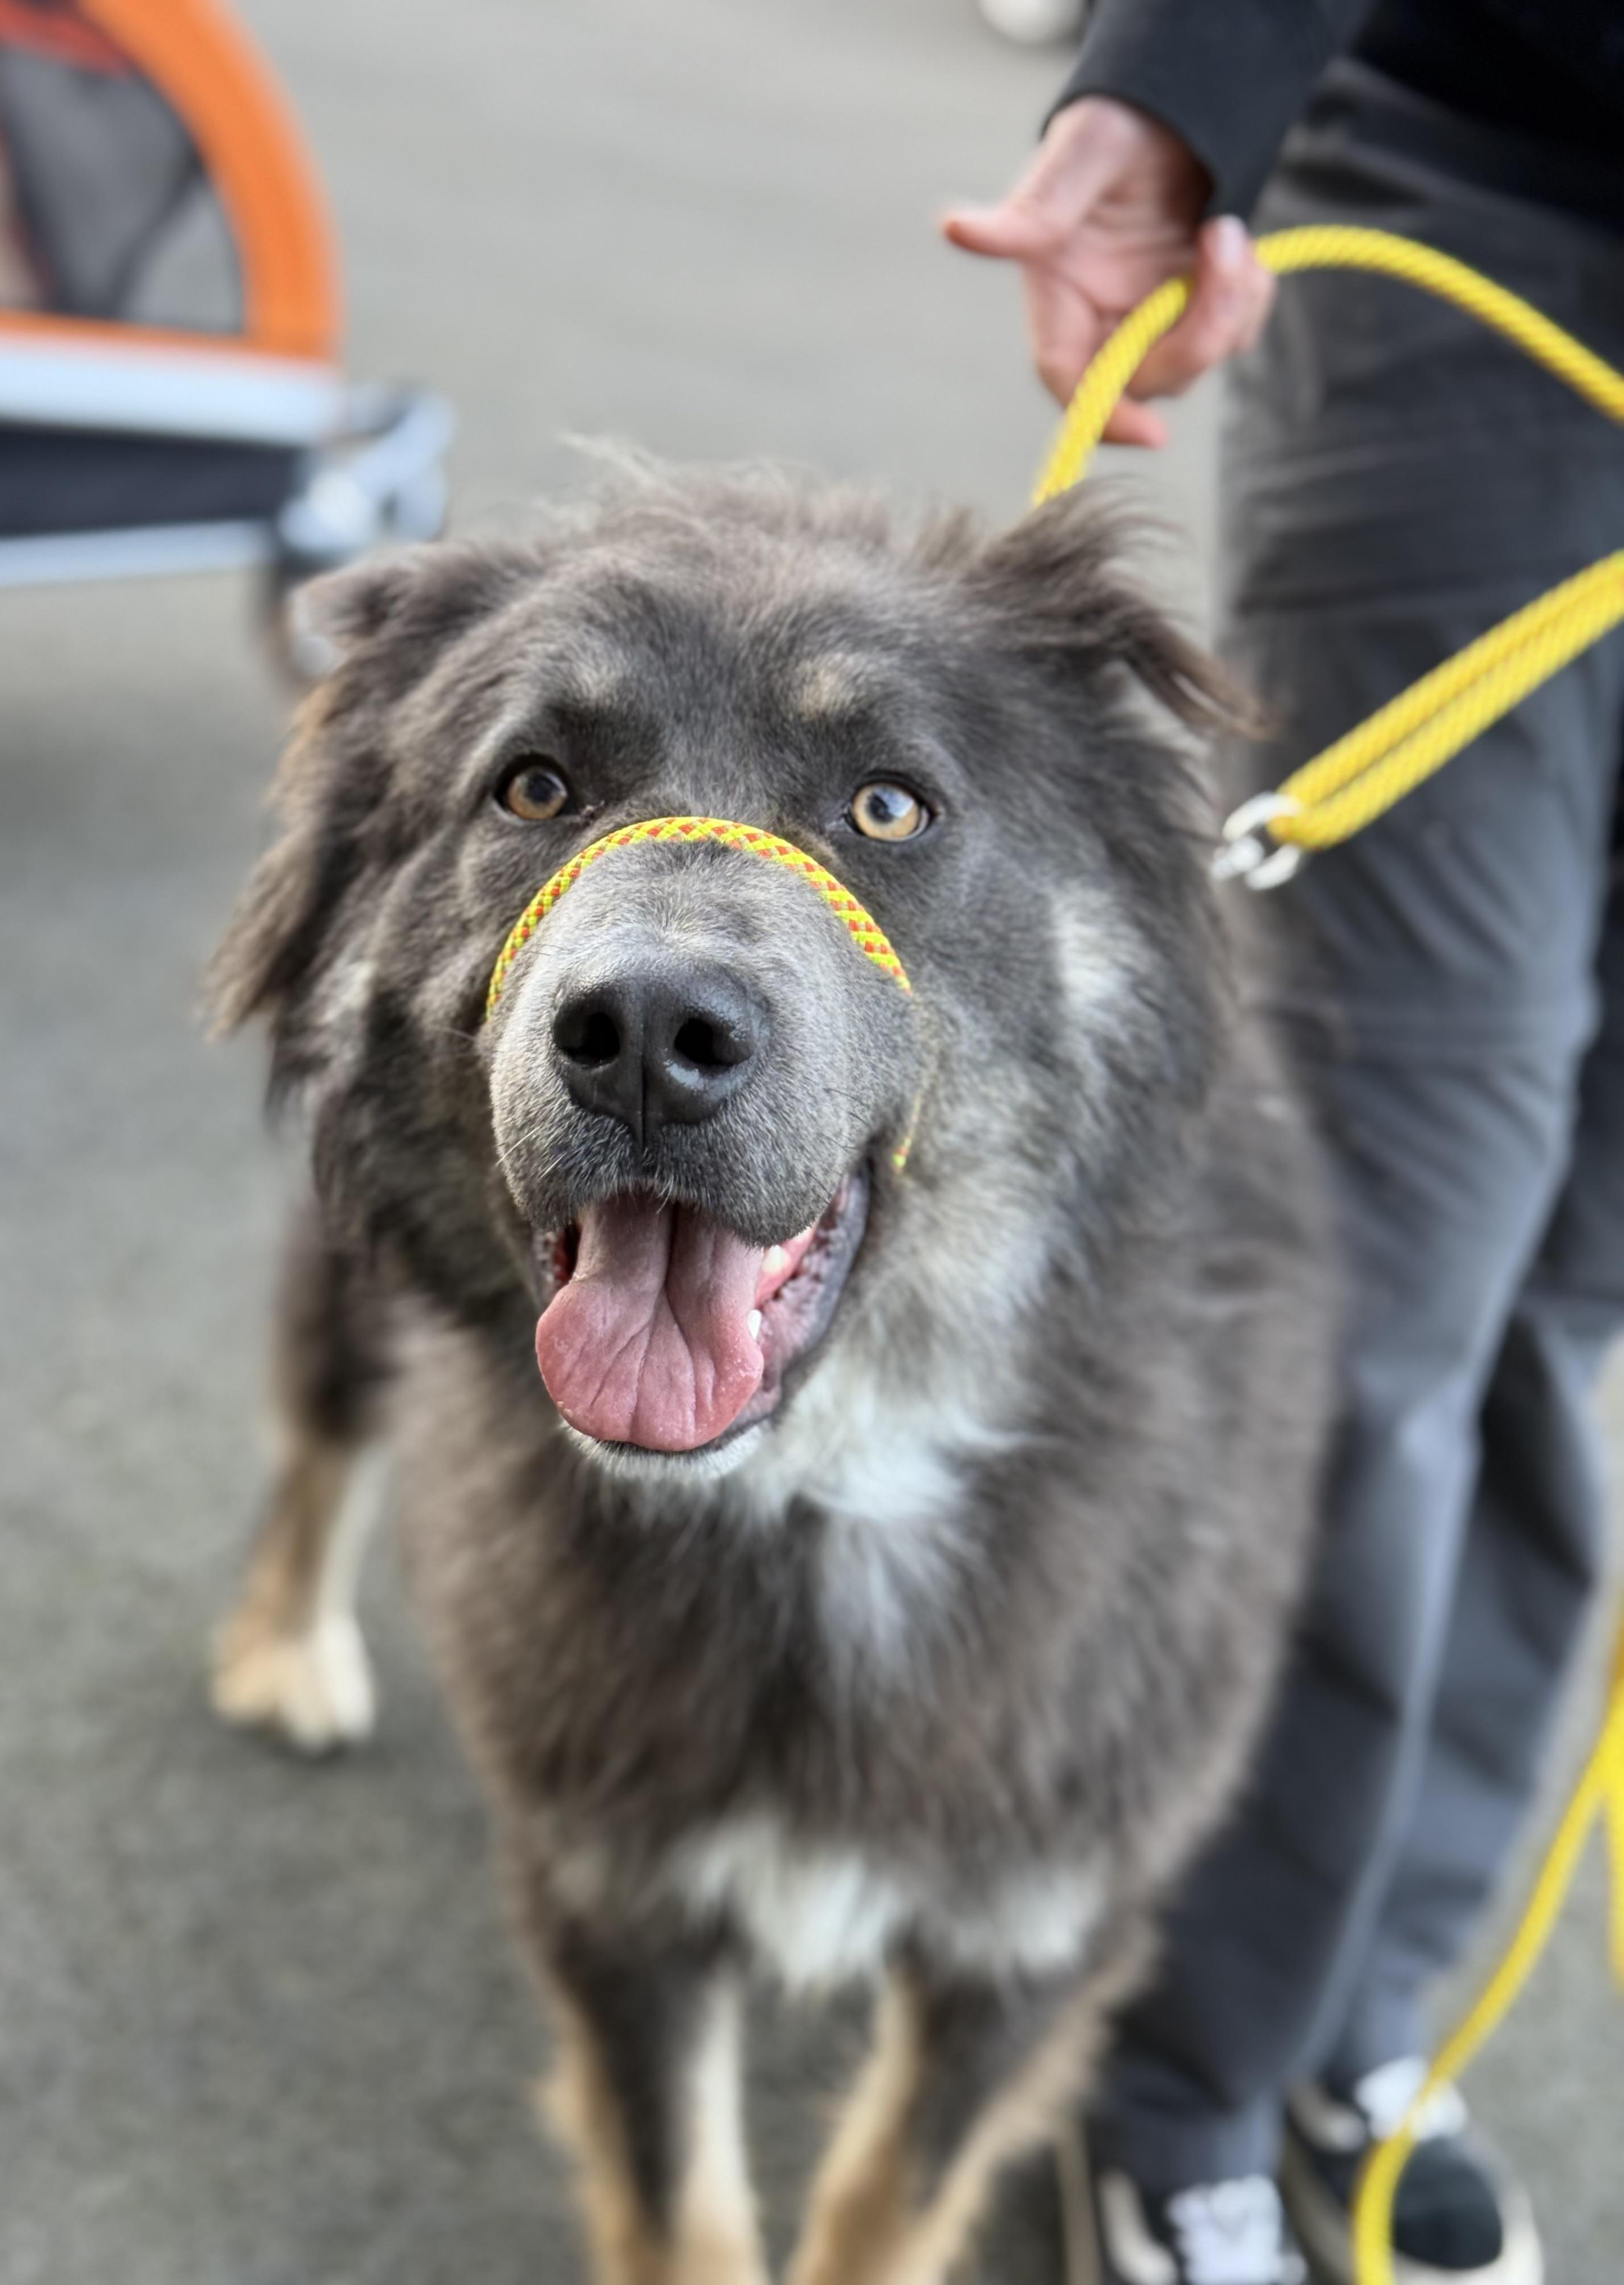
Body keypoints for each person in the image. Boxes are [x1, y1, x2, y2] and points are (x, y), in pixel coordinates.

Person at [947, 8, 1624, 2284]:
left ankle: (1370, 2016)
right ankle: (1182, 2064)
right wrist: (1183, 82)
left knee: (1568, 1300)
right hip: (1512, 227)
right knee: (1388, 1280)